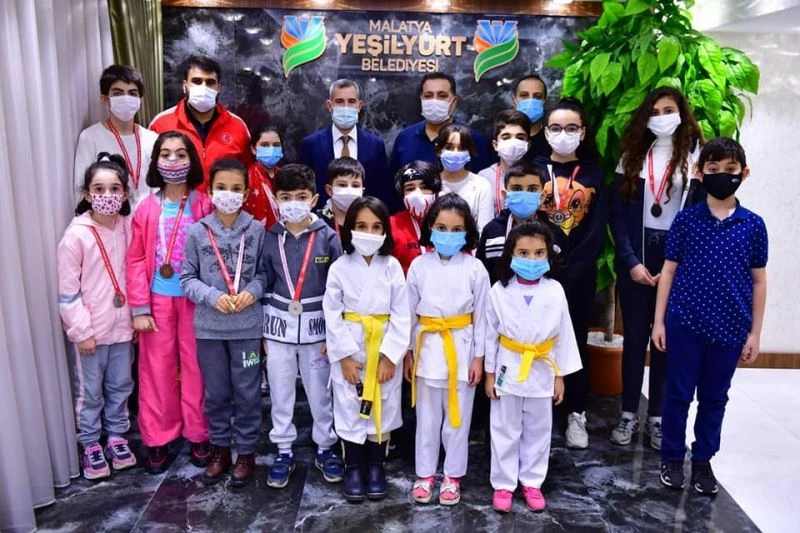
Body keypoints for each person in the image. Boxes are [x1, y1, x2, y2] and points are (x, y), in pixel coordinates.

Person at [653, 137, 767, 495]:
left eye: (730, 169)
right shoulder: (686, 220)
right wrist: (659, 321)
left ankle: (703, 460)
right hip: (685, 323)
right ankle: (672, 457)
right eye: (713, 168)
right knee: (678, 393)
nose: (722, 175)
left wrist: (755, 333)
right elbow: (668, 272)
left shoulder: (753, 225)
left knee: (715, 397)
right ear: (700, 173)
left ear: (744, 173)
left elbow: (759, 281)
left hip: (731, 327)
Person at [609, 87, 704, 450]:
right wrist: (631, 262)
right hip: (637, 255)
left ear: (682, 114)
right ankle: (628, 413)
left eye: (669, 110)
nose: (662, 117)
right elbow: (618, 216)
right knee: (635, 339)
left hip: (675, 258)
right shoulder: (632, 157)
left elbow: (697, 215)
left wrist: (674, 267)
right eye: (655, 111)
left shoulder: (695, 157)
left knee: (664, 340)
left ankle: (658, 418)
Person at [126, 131, 212, 474]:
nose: (173, 160)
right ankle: (158, 437)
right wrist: (139, 308)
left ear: (192, 160)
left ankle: (199, 432)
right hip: (158, 301)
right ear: (156, 161)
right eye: (166, 154)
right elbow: (135, 260)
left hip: (195, 301)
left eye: (180, 154)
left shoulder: (204, 204)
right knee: (156, 370)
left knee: (197, 368)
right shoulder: (147, 208)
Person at [180, 158, 266, 487]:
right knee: (215, 393)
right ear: (210, 191)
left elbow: (264, 275)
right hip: (210, 330)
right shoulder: (197, 232)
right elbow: (187, 279)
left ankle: (246, 451)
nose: (228, 194)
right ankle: (220, 449)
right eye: (221, 188)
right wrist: (212, 296)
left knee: (247, 392)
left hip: (247, 329)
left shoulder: (256, 230)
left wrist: (252, 293)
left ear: (245, 193)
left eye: (235, 189)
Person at [485, 221, 582, 513]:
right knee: (504, 427)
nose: (531, 260)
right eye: (524, 253)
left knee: (538, 429)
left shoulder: (555, 291)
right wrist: (490, 374)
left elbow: (564, 335)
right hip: (508, 365)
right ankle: (503, 483)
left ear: (549, 255)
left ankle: (532, 481)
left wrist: (559, 375)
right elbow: (489, 336)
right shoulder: (499, 291)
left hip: (542, 367)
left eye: (539, 253)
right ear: (511, 255)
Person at [261, 164, 344, 489]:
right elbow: (265, 281)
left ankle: (326, 446)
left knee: (320, 392)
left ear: (313, 199)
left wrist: (334, 334)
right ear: (276, 199)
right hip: (278, 329)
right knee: (280, 391)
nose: (293, 203)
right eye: (285, 197)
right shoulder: (270, 237)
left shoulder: (327, 237)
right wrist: (263, 333)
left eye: (300, 196)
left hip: (317, 330)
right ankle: (283, 449)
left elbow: (337, 289)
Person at [323, 196, 411, 503]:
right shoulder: (339, 267)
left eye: (376, 227)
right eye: (361, 226)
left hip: (383, 346)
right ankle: (353, 467)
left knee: (383, 406)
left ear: (385, 231)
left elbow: (402, 314)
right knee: (350, 405)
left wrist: (390, 357)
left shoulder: (392, 266)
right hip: (351, 347)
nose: (368, 233)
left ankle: (376, 466)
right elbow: (332, 313)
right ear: (350, 229)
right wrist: (345, 357)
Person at [405, 193, 490, 506]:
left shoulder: (476, 268)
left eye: (456, 229)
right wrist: (408, 353)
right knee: (426, 420)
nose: (448, 235)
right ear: (430, 227)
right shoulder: (418, 266)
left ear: (467, 232)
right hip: (427, 348)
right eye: (441, 228)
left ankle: (453, 475)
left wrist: (479, 358)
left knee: (457, 420)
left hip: (461, 349)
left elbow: (482, 317)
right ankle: (425, 474)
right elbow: (408, 313)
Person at [58, 153, 137, 480]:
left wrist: (135, 318)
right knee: (90, 391)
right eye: (99, 189)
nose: (108, 195)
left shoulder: (129, 228)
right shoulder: (76, 235)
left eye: (115, 189)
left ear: (125, 194)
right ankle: (90, 442)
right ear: (87, 195)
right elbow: (67, 292)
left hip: (124, 329)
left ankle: (117, 436)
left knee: (121, 385)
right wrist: (81, 331)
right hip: (91, 332)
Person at [536, 98, 608, 449]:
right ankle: (538, 410)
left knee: (574, 341)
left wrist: (572, 270)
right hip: (536, 272)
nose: (563, 134)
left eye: (571, 128)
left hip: (579, 276)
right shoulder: (533, 169)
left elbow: (596, 228)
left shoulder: (594, 173)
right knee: (536, 339)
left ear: (582, 132)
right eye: (556, 128)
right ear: (545, 131)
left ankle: (576, 413)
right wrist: (544, 268)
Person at [149, 54, 251, 188]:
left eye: (210, 82)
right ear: (185, 86)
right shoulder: (161, 124)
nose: (204, 88)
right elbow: (151, 173)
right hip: (177, 201)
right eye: (197, 81)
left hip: (221, 201)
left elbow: (248, 174)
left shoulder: (238, 126)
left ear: (219, 88)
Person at [299, 79, 394, 210]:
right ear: (329, 105)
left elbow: (381, 190)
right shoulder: (311, 144)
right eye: (339, 101)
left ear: (359, 106)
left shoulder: (375, 145)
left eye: (351, 101)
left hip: (364, 217)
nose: (345, 107)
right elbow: (304, 188)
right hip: (323, 218)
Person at [73, 65, 158, 210]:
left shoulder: (152, 138)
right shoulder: (90, 137)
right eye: (118, 93)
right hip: (108, 220)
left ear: (140, 100)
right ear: (105, 99)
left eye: (132, 93)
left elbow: (158, 189)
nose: (126, 98)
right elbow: (81, 191)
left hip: (146, 219)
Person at [390, 72, 490, 176]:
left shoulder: (472, 139)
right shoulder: (405, 137)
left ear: (454, 102)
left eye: (442, 96)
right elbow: (394, 181)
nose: (434, 101)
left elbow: (481, 180)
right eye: (428, 96)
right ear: (421, 100)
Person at [477, 162, 549, 285]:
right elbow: (482, 275)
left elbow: (560, 275)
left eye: (532, 189)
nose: (524, 194)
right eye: (517, 189)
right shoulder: (491, 231)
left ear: (542, 197)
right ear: (505, 195)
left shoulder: (554, 233)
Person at [435, 124, 493, 232]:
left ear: (469, 153)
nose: (455, 153)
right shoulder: (430, 183)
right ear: (439, 151)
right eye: (449, 147)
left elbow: (484, 230)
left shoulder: (482, 185)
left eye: (461, 148)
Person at [389, 160, 442, 275]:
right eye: (410, 188)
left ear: (435, 191)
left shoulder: (449, 221)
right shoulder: (391, 224)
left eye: (424, 187)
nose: (418, 193)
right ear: (402, 194)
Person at [478, 110, 532, 218]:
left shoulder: (537, 175)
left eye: (520, 138)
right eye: (506, 137)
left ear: (528, 144)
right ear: (495, 145)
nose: (513, 143)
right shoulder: (484, 177)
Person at [243, 123, 284, 230]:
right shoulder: (247, 179)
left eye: (276, 145)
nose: (271, 149)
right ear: (253, 149)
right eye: (265, 145)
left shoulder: (285, 175)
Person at [316, 157, 365, 236]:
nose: (349, 190)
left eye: (355, 185)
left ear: (362, 191)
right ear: (329, 190)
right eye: (342, 185)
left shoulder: (368, 220)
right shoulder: (317, 221)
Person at [511, 74, 550, 160]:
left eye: (537, 96)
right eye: (524, 95)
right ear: (514, 101)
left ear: (545, 102)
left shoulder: (553, 140)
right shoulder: (501, 140)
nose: (530, 101)